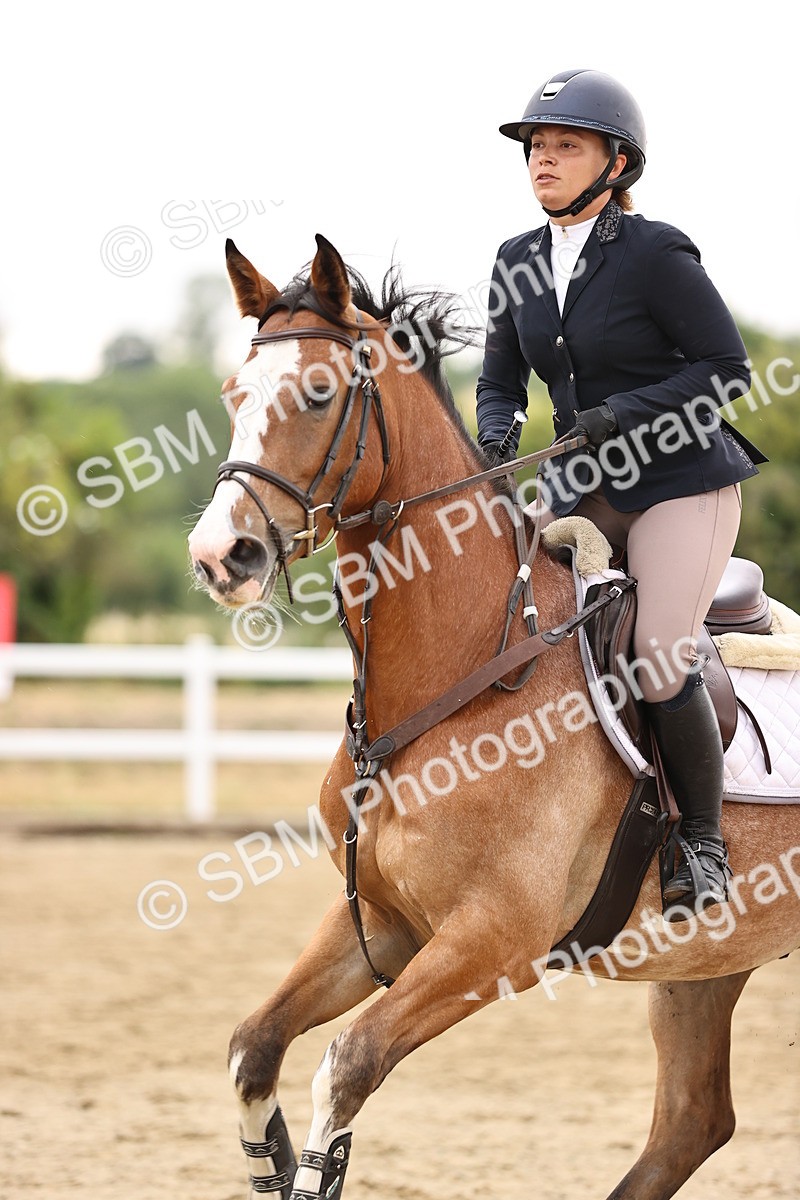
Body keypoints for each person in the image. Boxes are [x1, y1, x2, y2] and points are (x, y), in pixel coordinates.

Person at [475, 68, 767, 919]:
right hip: (584, 486)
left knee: (657, 648)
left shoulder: (655, 251)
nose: (543, 160)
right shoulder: (516, 261)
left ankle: (701, 845)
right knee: (498, 607)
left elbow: (727, 370)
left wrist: (621, 414)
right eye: (536, 147)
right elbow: (500, 380)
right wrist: (495, 443)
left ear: (617, 162)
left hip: (682, 481)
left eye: (566, 145)